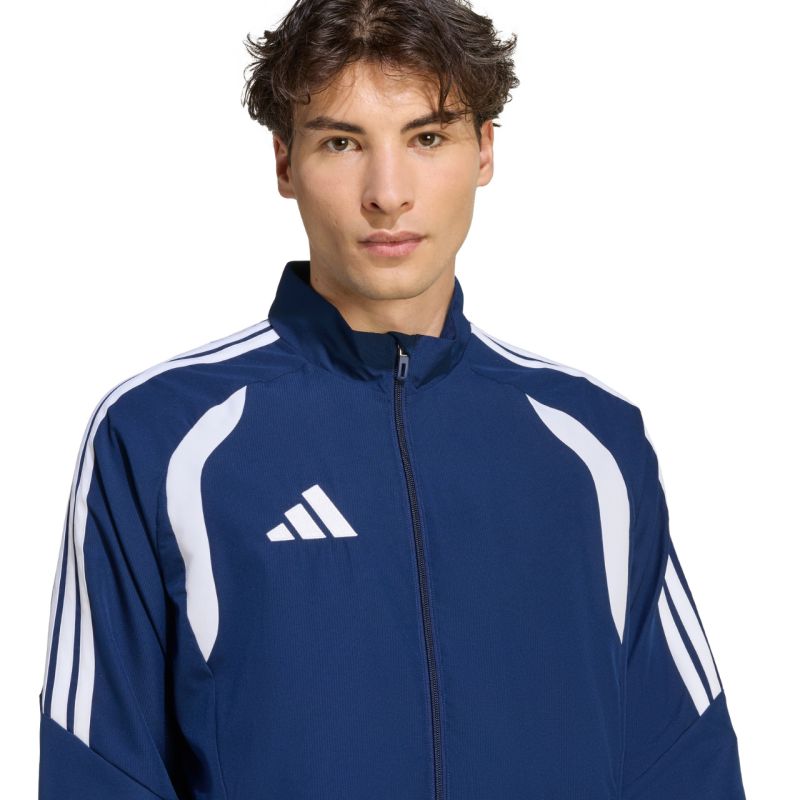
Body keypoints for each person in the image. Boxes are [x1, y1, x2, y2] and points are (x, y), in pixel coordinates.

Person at [37, 1, 748, 798]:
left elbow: (683, 762)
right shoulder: (163, 436)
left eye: (427, 138)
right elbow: (98, 767)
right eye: (342, 143)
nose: (387, 194)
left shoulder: (591, 442)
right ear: (284, 163)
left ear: (484, 150)